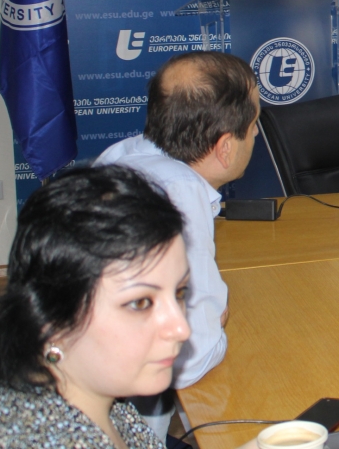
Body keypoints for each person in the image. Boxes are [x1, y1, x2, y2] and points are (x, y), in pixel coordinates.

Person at [0, 165, 190, 449]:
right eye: (140, 303)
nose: (181, 329)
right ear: (51, 317)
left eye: (180, 292)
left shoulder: (82, 385)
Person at [96, 51, 259, 433]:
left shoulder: (125, 154)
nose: (256, 134)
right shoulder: (178, 193)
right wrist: (215, 320)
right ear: (225, 148)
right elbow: (191, 358)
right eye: (255, 123)